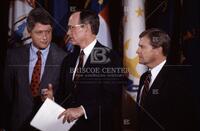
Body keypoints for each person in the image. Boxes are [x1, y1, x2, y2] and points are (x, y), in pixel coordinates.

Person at [56, 10, 123, 131]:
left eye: (71, 28)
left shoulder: (109, 57)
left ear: (86, 28)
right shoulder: (69, 59)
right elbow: (64, 94)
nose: (67, 32)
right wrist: (53, 98)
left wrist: (83, 109)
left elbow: (112, 97)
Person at [1, 8, 67, 131]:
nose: (45, 37)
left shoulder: (64, 58)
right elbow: (6, 95)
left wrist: (52, 99)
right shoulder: (13, 56)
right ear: (29, 31)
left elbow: (68, 97)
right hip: (17, 125)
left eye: (48, 31)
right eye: (39, 32)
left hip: (47, 126)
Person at [136, 28, 198, 131]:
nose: (137, 51)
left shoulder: (177, 80)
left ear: (158, 50)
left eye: (142, 47)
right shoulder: (144, 78)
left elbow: (184, 122)